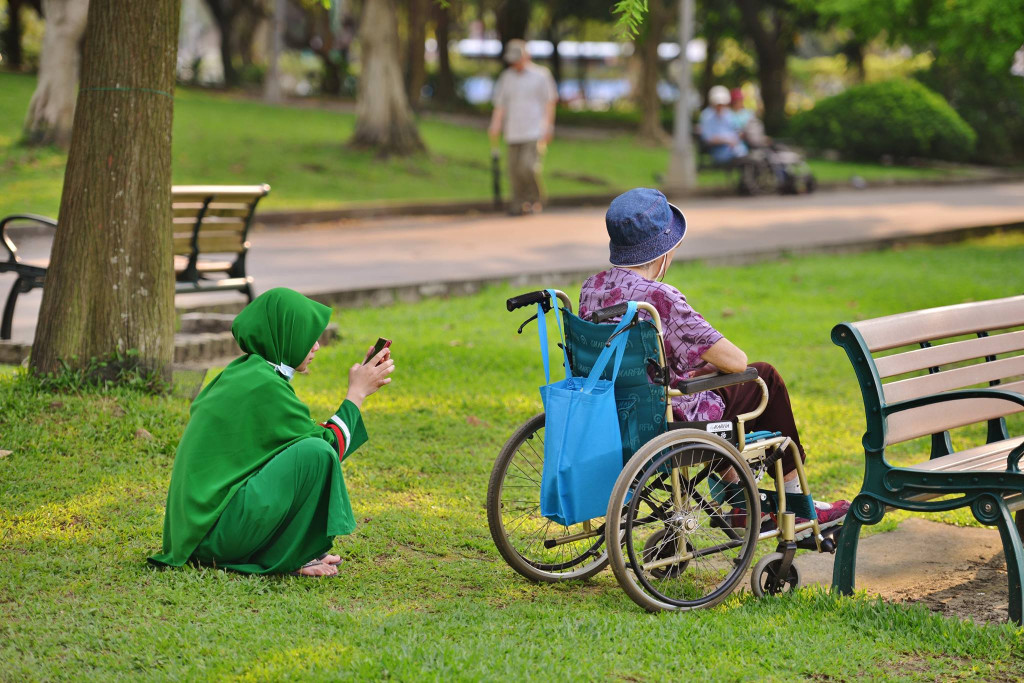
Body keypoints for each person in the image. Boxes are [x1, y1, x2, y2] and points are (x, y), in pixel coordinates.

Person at [578, 188, 849, 532]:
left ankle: (738, 496)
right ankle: (795, 502)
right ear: (664, 251)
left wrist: (692, 364)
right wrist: (709, 364)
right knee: (761, 377)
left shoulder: (592, 287)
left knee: (714, 383)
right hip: (664, 417)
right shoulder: (660, 298)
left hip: (610, 410)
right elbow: (736, 360)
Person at [149, 288, 394, 577]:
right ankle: (290, 555)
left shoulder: (245, 374)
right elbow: (328, 448)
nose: (316, 346)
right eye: (308, 336)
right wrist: (357, 394)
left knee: (307, 451)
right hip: (213, 537)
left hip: (202, 531)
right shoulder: (261, 386)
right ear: (284, 335)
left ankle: (293, 551)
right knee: (314, 454)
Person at [488, 39, 558, 216]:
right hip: (513, 130)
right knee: (513, 170)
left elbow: (550, 102)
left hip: (534, 130)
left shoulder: (541, 75)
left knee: (528, 167)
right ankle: (518, 203)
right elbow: (500, 104)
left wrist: (548, 127)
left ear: (527, 56)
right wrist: (495, 124)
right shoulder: (507, 77)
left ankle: (535, 199)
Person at [699, 85, 747, 164]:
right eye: (718, 104)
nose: (720, 107)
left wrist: (737, 137)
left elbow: (737, 130)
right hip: (718, 150)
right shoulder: (706, 116)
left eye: (723, 104)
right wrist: (726, 141)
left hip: (736, 148)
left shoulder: (729, 114)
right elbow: (708, 138)